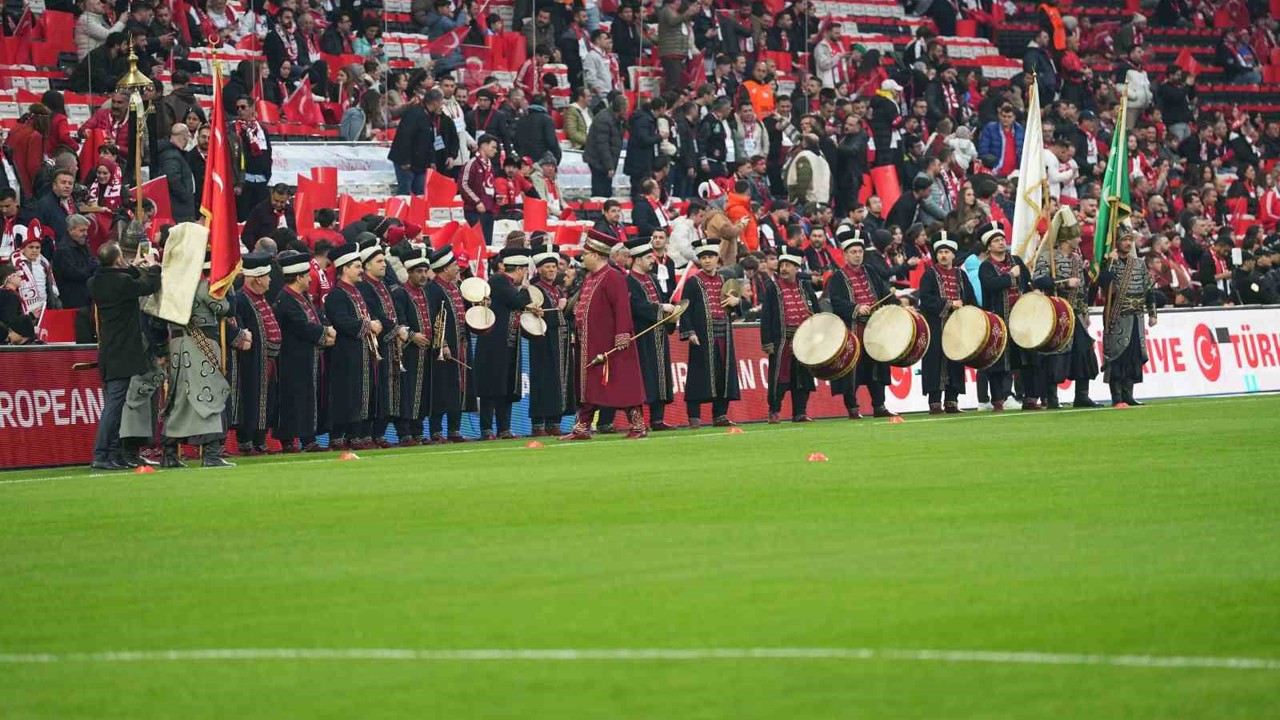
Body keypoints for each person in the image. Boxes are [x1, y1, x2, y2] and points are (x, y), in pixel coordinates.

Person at [560, 231, 648, 440]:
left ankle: (638, 425)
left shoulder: (614, 277)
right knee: (589, 386)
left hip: (611, 343)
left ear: (597, 255)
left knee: (623, 384)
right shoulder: (591, 278)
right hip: (590, 341)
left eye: (586, 253)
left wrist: (622, 336)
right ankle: (582, 427)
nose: (582, 257)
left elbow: (622, 308)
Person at [87, 242, 161, 470]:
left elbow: (117, 277)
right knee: (114, 405)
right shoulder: (122, 282)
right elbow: (148, 285)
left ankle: (113, 453)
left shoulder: (94, 282)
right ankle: (101, 454)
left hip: (109, 350)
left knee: (116, 405)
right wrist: (153, 266)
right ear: (118, 260)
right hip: (122, 352)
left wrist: (132, 265)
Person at [159, 251, 235, 468]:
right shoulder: (203, 287)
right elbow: (225, 308)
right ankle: (210, 455)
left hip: (176, 346)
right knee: (209, 398)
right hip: (200, 346)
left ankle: (170, 454)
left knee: (178, 400)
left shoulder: (170, 288)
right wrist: (227, 287)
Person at [1031, 210, 1102, 409]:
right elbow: (1038, 280)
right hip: (1055, 313)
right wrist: (1062, 283)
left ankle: (1082, 395)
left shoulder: (1077, 260)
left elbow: (1082, 289)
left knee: (1084, 351)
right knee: (1056, 354)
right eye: (1076, 236)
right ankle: (1052, 399)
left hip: (1075, 313)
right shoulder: (1047, 257)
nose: (1080, 239)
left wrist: (1085, 312)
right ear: (1066, 239)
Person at [826, 227, 895, 419]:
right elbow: (837, 302)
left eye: (860, 252)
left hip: (874, 329)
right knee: (852, 370)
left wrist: (900, 307)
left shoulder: (870, 271)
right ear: (845, 255)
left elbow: (884, 293)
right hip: (852, 329)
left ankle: (879, 406)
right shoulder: (838, 277)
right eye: (853, 252)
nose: (857, 255)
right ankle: (853, 408)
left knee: (877, 368)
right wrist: (856, 308)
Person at [272, 250, 334, 453]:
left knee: (308, 397)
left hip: (309, 356)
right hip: (292, 358)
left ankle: (309, 439)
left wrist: (325, 329)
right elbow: (302, 326)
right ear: (298, 277)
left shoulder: (302, 296)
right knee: (292, 399)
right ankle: (289, 440)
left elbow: (315, 319)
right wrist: (325, 332)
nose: (310, 279)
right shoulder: (286, 300)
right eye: (307, 275)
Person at [680, 237, 745, 427]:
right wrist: (689, 332)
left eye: (710, 256)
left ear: (717, 258)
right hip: (702, 335)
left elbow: (735, 307)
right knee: (698, 375)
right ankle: (694, 416)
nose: (707, 260)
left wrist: (737, 303)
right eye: (703, 257)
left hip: (723, 334)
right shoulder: (693, 282)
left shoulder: (726, 280)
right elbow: (684, 309)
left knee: (723, 375)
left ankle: (720, 415)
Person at [474, 247, 536, 439]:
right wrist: (526, 288)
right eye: (524, 272)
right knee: (491, 388)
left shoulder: (505, 283)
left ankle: (504, 428)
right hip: (494, 344)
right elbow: (518, 302)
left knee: (506, 387)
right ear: (518, 269)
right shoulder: (499, 281)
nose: (524, 276)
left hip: (508, 344)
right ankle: (487, 428)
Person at [324, 242, 381, 451]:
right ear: (345, 269)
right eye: (357, 266)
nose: (361, 270)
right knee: (347, 394)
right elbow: (342, 321)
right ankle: (342, 437)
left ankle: (359, 435)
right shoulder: (336, 294)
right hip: (346, 354)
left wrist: (375, 323)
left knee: (362, 392)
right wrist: (369, 325)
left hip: (362, 352)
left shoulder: (356, 292)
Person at [978, 221, 1038, 412]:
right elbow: (990, 286)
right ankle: (1001, 397)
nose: (1001, 243)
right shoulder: (985, 267)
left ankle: (1030, 397)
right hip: (999, 320)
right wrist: (1010, 277)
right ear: (989, 246)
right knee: (1001, 361)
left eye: (1002, 239)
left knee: (1027, 358)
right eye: (996, 240)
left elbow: (1028, 282)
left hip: (1021, 319)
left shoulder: (1017, 261)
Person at [918, 231, 977, 414]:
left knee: (955, 362)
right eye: (940, 252)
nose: (943, 255)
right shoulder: (929, 274)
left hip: (957, 327)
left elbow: (971, 299)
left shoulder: (961, 275)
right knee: (935, 362)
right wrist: (949, 304)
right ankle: (934, 403)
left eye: (947, 252)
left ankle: (952, 401)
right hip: (936, 326)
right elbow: (925, 299)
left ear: (953, 254)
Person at [1099, 223, 1157, 407]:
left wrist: (1152, 313)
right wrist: (1111, 262)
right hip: (1117, 316)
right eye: (1124, 240)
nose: (1127, 243)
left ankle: (1129, 395)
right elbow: (1102, 284)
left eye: (1129, 240)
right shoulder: (1108, 262)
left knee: (1134, 356)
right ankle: (1117, 398)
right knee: (1116, 357)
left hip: (1136, 317)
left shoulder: (1139, 264)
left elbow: (1148, 288)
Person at [760, 245, 818, 423]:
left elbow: (817, 311)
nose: (783, 268)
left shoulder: (806, 287)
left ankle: (800, 412)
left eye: (788, 265)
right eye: (782, 264)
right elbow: (766, 316)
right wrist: (767, 342)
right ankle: (774, 411)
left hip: (804, 342)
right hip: (782, 341)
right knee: (780, 378)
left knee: (803, 379)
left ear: (797, 267)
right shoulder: (773, 288)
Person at [357, 239, 407, 448]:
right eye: (378, 261)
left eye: (383, 261)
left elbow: (394, 311)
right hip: (375, 346)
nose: (383, 264)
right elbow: (374, 314)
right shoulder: (364, 288)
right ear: (367, 264)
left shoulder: (383, 285)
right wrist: (396, 330)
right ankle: (367, 434)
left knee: (390, 392)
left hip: (391, 346)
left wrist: (402, 328)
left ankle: (379, 434)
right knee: (377, 391)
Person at [625, 236, 678, 431]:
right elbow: (637, 306)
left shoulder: (653, 279)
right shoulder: (628, 282)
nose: (652, 260)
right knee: (643, 378)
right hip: (642, 337)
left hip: (659, 335)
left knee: (661, 376)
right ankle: (637, 422)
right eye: (648, 257)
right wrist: (660, 307)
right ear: (637, 259)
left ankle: (657, 419)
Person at [426, 244, 475, 443]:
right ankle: (436, 431)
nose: (458, 268)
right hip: (444, 348)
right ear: (445, 268)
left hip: (461, 344)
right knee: (441, 389)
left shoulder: (455, 287)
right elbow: (431, 318)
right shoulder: (433, 289)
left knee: (459, 388)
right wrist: (442, 343)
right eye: (455, 264)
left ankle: (454, 430)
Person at [232, 253, 280, 455]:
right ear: (258, 278)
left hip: (268, 361)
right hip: (251, 361)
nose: (270, 280)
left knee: (266, 401)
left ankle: (260, 441)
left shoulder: (261, 299)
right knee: (250, 400)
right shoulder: (241, 299)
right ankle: (246, 442)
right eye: (268, 276)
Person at [389, 245, 433, 446]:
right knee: (407, 391)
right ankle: (405, 433)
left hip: (426, 350)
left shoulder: (425, 292)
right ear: (408, 272)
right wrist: (413, 336)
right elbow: (399, 320)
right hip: (407, 351)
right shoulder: (401, 293)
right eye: (419, 272)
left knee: (422, 392)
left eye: (425, 271)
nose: (423, 275)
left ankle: (418, 431)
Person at [528, 245, 572, 436]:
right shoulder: (533, 290)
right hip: (543, 343)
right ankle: (539, 424)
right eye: (547, 267)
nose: (552, 270)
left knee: (560, 381)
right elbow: (532, 318)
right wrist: (560, 310)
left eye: (554, 266)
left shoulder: (557, 291)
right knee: (543, 381)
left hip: (561, 342)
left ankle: (554, 421)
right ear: (538, 269)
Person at [230, 96, 273, 222]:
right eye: (237, 108)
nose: (239, 110)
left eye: (243, 107)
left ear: (252, 109)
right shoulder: (233, 129)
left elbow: (268, 152)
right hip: (244, 182)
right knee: (242, 217)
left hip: (261, 180)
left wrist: (267, 174)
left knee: (261, 219)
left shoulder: (261, 129)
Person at [584, 94, 625, 198]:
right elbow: (602, 146)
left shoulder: (617, 119)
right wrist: (609, 167)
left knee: (606, 193)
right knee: (600, 193)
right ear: (621, 109)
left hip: (605, 162)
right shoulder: (604, 119)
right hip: (598, 161)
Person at [461, 134, 499, 244]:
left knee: (487, 246)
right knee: (477, 246)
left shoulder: (489, 166)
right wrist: (477, 202)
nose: (495, 151)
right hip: (474, 212)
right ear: (483, 146)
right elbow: (463, 185)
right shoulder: (471, 164)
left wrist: (496, 197)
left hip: (488, 211)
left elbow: (489, 186)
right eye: (493, 147)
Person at [53, 215, 97, 309]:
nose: (85, 234)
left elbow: (91, 260)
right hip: (73, 299)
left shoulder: (82, 244)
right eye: (81, 230)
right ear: (70, 230)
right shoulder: (63, 250)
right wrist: (92, 267)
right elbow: (74, 273)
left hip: (85, 295)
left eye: (86, 230)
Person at [11, 236, 59, 317]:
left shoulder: (44, 263)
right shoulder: (14, 265)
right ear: (23, 249)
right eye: (31, 247)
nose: (34, 250)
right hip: (23, 312)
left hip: (44, 309)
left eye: (37, 248)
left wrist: (53, 305)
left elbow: (49, 287)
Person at [240, 184, 295, 249]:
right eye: (276, 200)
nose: (278, 204)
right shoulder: (259, 210)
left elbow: (293, 233)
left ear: (288, 198)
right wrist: (258, 250)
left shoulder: (290, 211)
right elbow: (246, 235)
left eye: (282, 202)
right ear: (271, 195)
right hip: (264, 253)